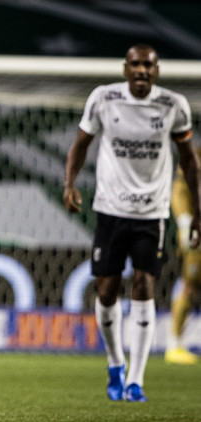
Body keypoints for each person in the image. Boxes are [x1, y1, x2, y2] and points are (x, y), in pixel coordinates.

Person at [63, 44, 201, 402]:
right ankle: (114, 363)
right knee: (107, 291)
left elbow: (189, 161)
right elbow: (81, 144)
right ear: (126, 68)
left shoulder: (174, 106)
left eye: (148, 65)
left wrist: (197, 213)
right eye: (136, 64)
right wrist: (69, 183)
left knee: (144, 286)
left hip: (152, 215)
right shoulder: (103, 98)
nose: (141, 70)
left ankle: (136, 380)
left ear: (157, 71)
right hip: (110, 210)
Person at [167, 161, 201, 364]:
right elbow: (178, 192)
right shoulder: (194, 157)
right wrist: (184, 222)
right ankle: (174, 345)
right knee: (189, 287)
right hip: (197, 237)